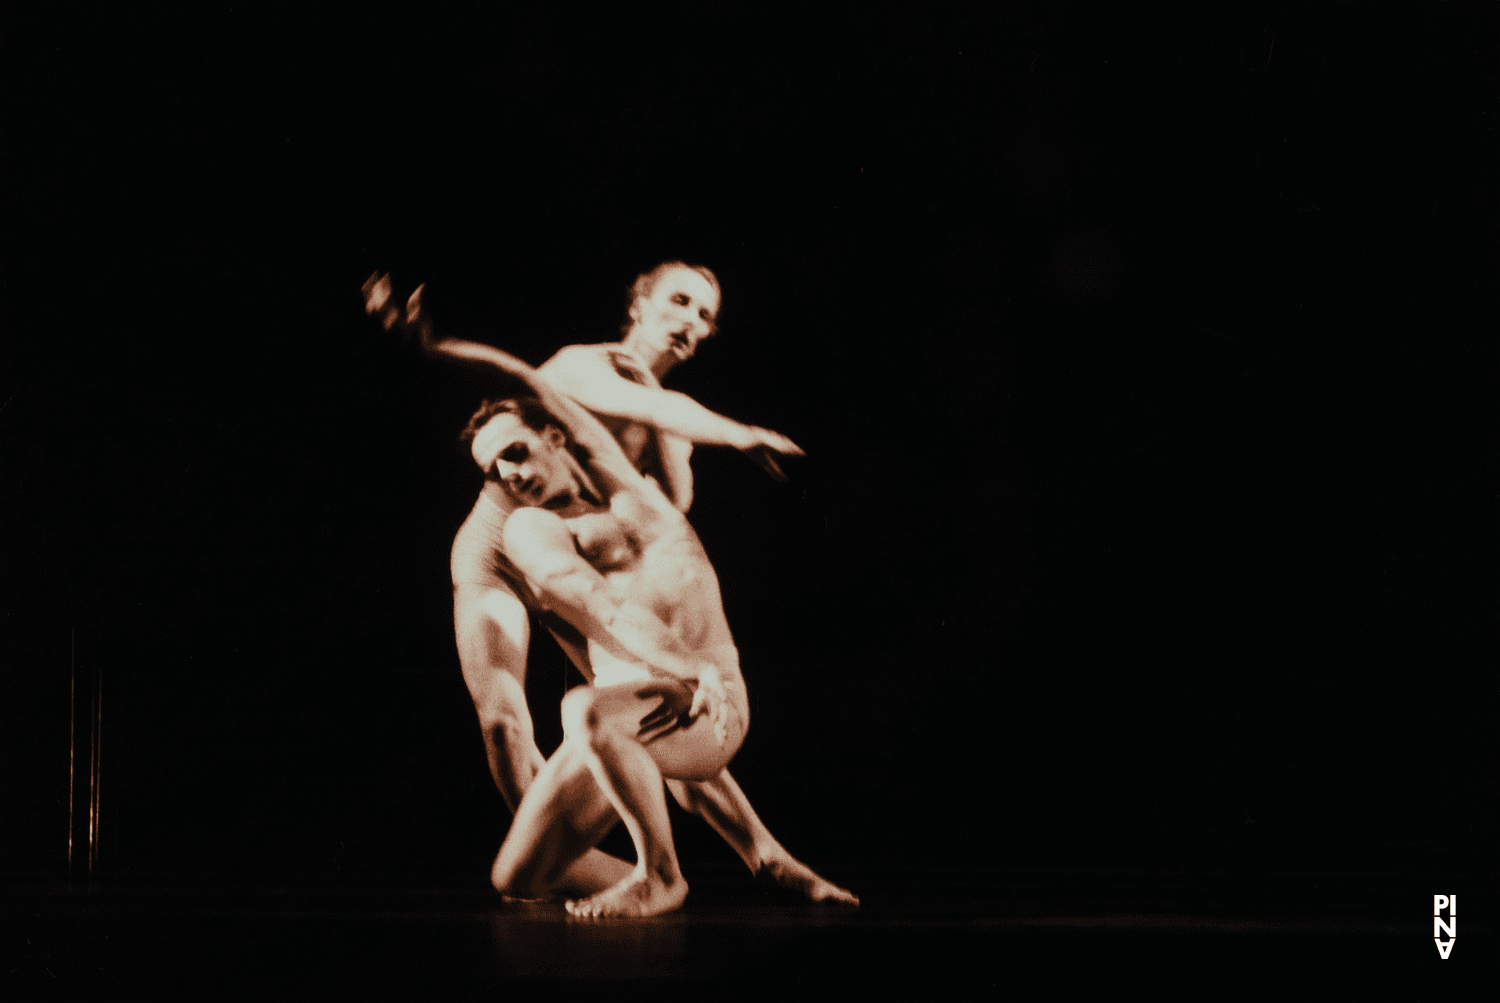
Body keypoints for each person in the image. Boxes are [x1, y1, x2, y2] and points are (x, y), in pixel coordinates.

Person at [363, 264, 856, 906]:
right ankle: (582, 863)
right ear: (639, 303)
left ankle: (732, 860)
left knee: (635, 695)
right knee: (507, 726)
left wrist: (677, 460)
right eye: (680, 301)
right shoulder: (583, 366)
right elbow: (562, 386)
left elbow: (665, 485)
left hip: (576, 547)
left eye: (706, 315)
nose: (693, 322)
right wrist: (737, 433)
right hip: (502, 545)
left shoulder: (664, 424)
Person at [444, 338, 782, 917]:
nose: (511, 474)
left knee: (586, 710)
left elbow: (533, 379)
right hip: (652, 701)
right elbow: (601, 607)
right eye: (495, 467)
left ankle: (662, 876)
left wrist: (439, 345)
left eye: (518, 452)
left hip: (701, 701)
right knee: (516, 874)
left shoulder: (628, 487)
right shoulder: (526, 531)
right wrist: (686, 667)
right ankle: (665, 874)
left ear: (557, 437)